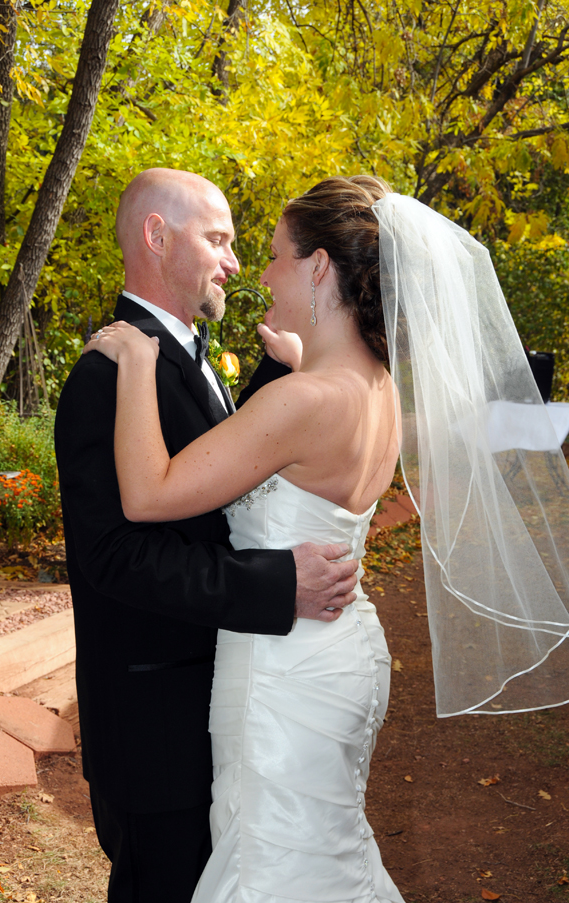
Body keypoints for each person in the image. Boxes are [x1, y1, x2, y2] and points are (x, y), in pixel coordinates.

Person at [85, 174, 569, 901]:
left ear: (318, 267)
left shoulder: (304, 398)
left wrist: (138, 365)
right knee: (325, 850)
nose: (260, 270)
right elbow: (372, 504)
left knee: (274, 862)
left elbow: (149, 493)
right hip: (344, 653)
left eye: (277, 254)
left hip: (285, 671)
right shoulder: (379, 389)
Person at [54, 168, 361, 903]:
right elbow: (116, 557)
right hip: (154, 729)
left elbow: (211, 472)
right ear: (158, 238)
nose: (233, 261)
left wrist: (265, 383)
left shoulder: (188, 355)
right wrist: (277, 584)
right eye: (218, 240)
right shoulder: (106, 376)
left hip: (217, 714)